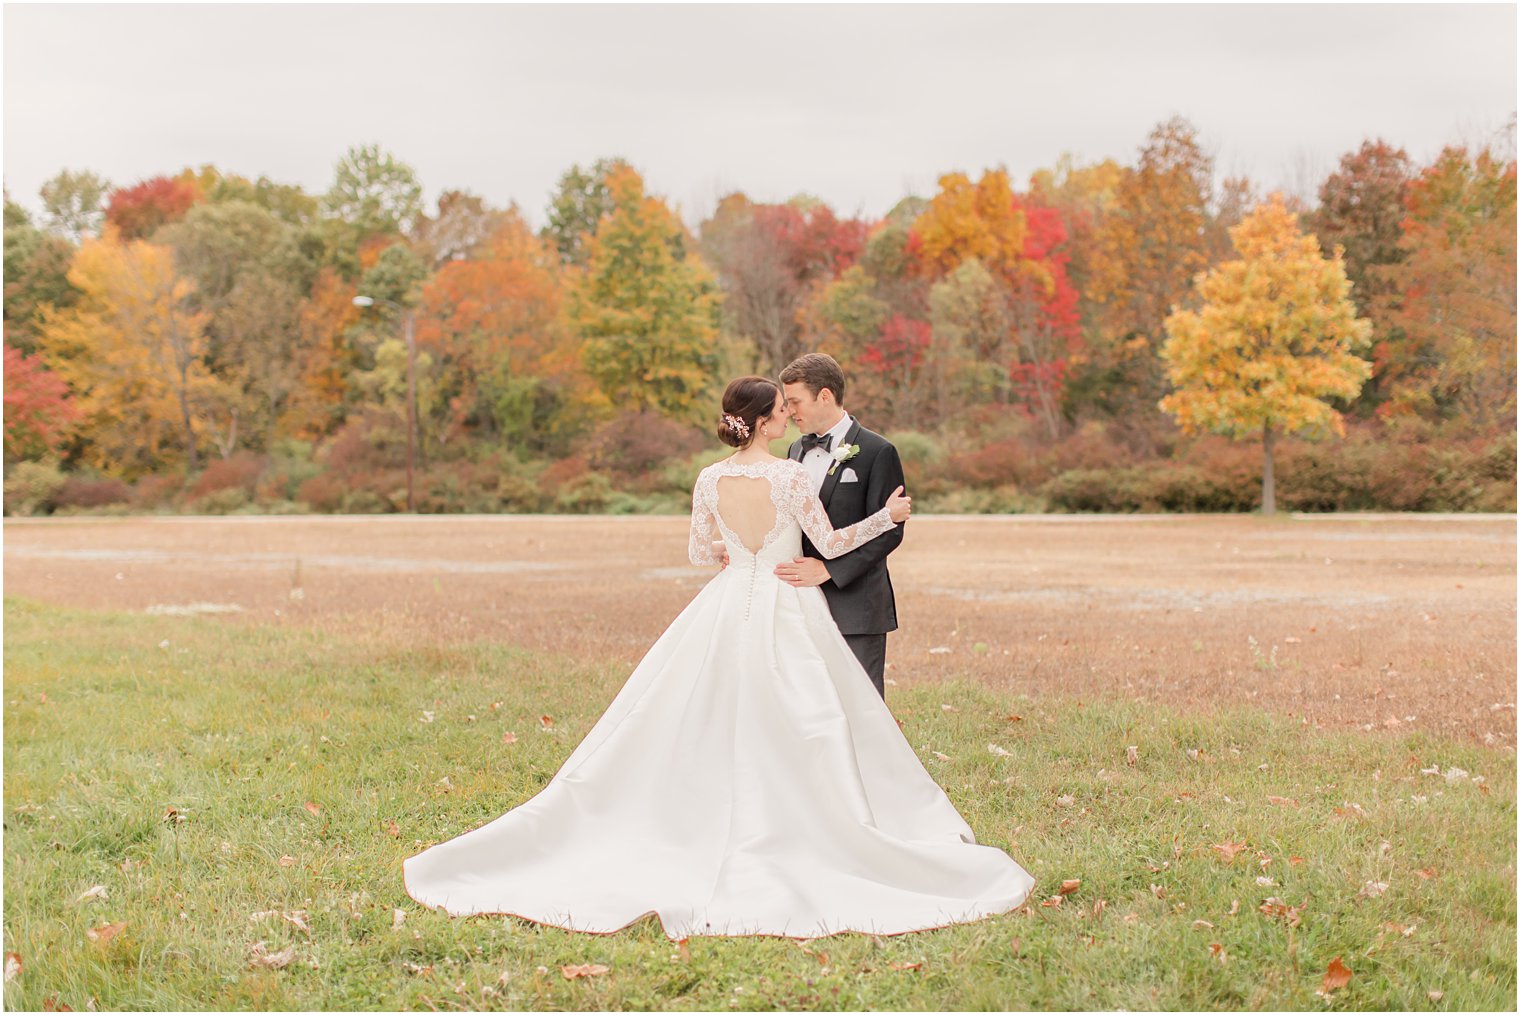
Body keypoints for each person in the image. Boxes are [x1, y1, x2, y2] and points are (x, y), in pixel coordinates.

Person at [403, 376, 1033, 939]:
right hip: (789, 606)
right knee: (806, 714)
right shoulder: (790, 477)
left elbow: (701, 553)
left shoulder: (709, 477)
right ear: (762, 421)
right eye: (779, 413)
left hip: (729, 603)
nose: (787, 418)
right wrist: (886, 517)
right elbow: (833, 541)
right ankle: (815, 821)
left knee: (700, 707)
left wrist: (738, 557)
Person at [777, 353, 902, 699]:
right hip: (802, 601)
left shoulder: (879, 451)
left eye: (794, 402)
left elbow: (890, 531)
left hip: (857, 604)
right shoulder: (793, 451)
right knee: (810, 702)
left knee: (861, 703)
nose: (789, 411)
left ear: (825, 396)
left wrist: (830, 570)